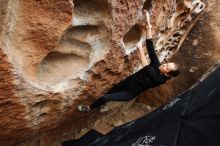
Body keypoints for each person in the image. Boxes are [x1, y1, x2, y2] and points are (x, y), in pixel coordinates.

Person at [77, 10, 180, 112]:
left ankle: (89, 108)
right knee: (110, 92)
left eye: (167, 68)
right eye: (167, 64)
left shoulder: (160, 79)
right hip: (127, 82)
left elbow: (146, 68)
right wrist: (148, 23)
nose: (164, 65)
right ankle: (101, 103)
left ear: (168, 75)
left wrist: (140, 49)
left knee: (106, 97)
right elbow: (150, 46)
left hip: (129, 93)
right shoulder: (157, 65)